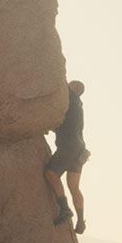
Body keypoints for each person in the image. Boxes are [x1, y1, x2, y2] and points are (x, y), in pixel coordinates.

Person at [45, 80, 90, 234]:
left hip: (68, 148)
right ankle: (80, 221)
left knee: (51, 174)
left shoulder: (70, 95)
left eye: (70, 85)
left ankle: (65, 210)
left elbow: (58, 81)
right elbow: (65, 126)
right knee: (74, 187)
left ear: (75, 88)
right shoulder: (78, 106)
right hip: (80, 149)